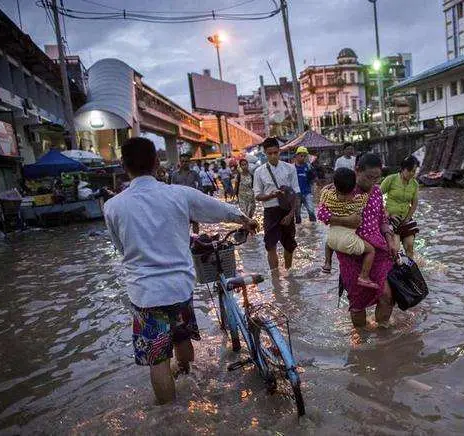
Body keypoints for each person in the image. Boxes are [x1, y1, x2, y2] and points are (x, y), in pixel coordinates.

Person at [103, 137, 256, 404]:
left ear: (123, 166)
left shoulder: (113, 206)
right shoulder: (178, 194)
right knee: (182, 336)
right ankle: (187, 381)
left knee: (158, 361)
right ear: (156, 163)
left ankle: (169, 418)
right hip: (179, 286)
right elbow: (218, 209)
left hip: (145, 294)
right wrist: (246, 219)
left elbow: (120, 248)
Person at [317, 153, 399, 328]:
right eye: (369, 177)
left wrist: (390, 240)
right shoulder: (341, 189)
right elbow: (323, 216)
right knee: (358, 301)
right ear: (357, 171)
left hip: (377, 250)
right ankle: (361, 340)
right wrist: (346, 221)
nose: (373, 182)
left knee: (387, 295)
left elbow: (382, 219)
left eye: (377, 178)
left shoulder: (376, 192)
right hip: (350, 251)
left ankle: (382, 335)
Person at [320, 168, 378, 289]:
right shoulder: (357, 201)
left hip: (332, 239)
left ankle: (327, 263)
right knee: (371, 251)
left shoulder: (328, 197)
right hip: (347, 240)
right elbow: (368, 194)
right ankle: (364, 276)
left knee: (328, 242)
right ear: (353, 187)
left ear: (335, 185)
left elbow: (323, 193)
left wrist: (330, 186)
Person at [253, 137, 300, 270]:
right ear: (265, 153)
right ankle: (275, 277)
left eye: (275, 152)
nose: (273, 156)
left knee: (289, 245)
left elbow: (296, 193)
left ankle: (288, 271)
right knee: (270, 245)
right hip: (270, 212)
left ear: (279, 151)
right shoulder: (259, 172)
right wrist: (270, 195)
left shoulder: (290, 168)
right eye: (270, 153)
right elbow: (257, 196)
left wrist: (291, 215)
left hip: (287, 211)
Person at [380, 156, 420, 258]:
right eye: (410, 170)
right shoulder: (391, 179)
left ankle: (410, 271)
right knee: (395, 248)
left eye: (414, 171)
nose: (412, 173)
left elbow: (414, 203)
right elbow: (377, 196)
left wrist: (407, 218)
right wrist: (385, 212)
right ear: (403, 169)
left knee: (410, 247)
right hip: (391, 219)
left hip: (406, 219)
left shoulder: (414, 184)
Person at [172, 154, 201, 234]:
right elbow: (171, 190)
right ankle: (185, 242)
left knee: (195, 222)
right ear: (180, 162)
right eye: (183, 161)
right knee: (183, 224)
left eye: (186, 161)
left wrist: (198, 197)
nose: (184, 163)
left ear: (190, 162)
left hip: (193, 202)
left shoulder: (194, 173)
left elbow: (200, 186)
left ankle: (196, 240)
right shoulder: (174, 175)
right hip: (180, 203)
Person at [293, 146, 317, 223]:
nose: (303, 157)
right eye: (301, 155)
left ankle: (314, 229)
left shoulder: (309, 166)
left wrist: (311, 173)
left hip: (307, 192)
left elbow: (314, 180)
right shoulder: (292, 167)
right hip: (296, 194)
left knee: (311, 211)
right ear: (296, 156)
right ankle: (299, 230)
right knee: (297, 214)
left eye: (305, 156)